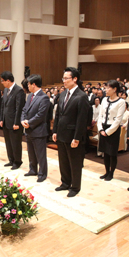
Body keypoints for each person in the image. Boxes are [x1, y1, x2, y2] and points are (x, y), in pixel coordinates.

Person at [52, 67, 90, 198]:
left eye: (66, 78)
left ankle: (75, 187)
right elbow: (58, 115)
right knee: (63, 161)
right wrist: (55, 130)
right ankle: (65, 182)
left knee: (75, 162)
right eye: (63, 78)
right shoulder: (63, 94)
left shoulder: (82, 96)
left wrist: (77, 137)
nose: (64, 81)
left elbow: (82, 120)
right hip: (61, 133)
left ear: (75, 79)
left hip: (73, 135)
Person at [21, 75, 50, 182]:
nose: (27, 86)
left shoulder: (44, 97)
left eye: (28, 84)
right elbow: (24, 110)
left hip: (38, 130)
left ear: (33, 84)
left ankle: (42, 173)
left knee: (40, 154)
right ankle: (33, 170)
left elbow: (41, 115)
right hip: (29, 129)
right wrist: (22, 120)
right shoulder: (30, 96)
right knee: (31, 152)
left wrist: (29, 122)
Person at [97, 80, 127, 181]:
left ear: (114, 89)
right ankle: (106, 172)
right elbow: (100, 116)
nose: (106, 90)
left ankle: (111, 173)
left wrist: (108, 132)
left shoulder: (121, 102)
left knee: (112, 153)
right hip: (103, 128)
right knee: (105, 152)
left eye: (108, 88)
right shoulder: (104, 99)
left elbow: (118, 120)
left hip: (113, 129)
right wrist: (101, 129)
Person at [0, 71, 25, 170]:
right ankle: (11, 160)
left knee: (15, 143)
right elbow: (3, 106)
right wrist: (1, 119)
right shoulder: (6, 90)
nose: (2, 82)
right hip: (6, 121)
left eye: (2, 80)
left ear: (8, 80)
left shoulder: (19, 91)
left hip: (15, 122)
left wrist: (17, 122)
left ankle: (17, 161)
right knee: (8, 142)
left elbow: (19, 108)